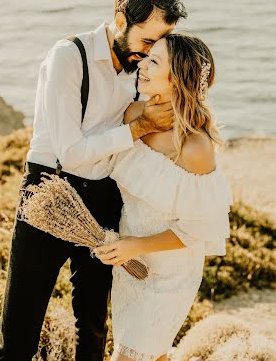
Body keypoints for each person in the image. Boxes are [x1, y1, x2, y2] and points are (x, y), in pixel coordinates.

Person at [0, 0, 188, 361]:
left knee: (94, 328)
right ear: (120, 20)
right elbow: (71, 152)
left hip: (104, 197)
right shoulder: (68, 57)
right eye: (147, 43)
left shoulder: (140, 68)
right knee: (18, 333)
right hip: (50, 193)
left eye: (158, 48)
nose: (149, 56)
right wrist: (138, 128)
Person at [94, 34, 233, 361]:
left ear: (177, 79)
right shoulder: (133, 116)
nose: (141, 64)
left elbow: (199, 231)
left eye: (154, 61)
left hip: (170, 274)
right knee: (148, 353)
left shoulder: (195, 148)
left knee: (129, 356)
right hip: (129, 267)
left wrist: (134, 245)